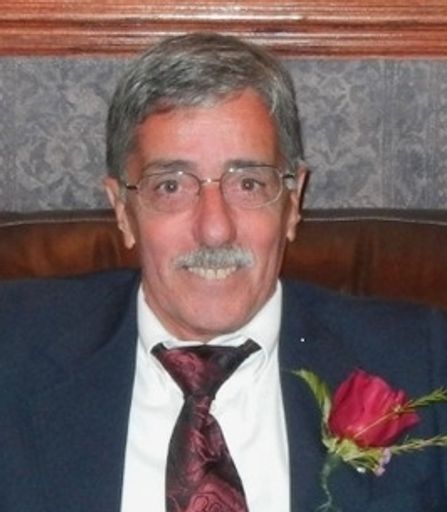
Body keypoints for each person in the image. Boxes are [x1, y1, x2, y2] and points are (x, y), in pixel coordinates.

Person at [0, 32, 446, 512]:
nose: (215, 229)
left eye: (248, 183)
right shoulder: (14, 349)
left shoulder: (422, 359)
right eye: (171, 186)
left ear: (293, 202)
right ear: (123, 211)